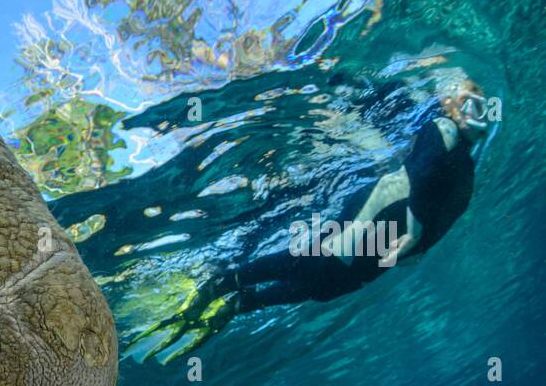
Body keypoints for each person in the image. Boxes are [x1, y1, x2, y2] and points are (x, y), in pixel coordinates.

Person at [130, 78, 489, 362]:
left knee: (285, 277)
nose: (477, 114)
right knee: (292, 282)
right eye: (471, 104)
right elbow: (429, 192)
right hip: (355, 261)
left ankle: (209, 305)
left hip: (352, 250)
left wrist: (415, 235)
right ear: (450, 103)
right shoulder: (457, 152)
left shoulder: (453, 144)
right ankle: (215, 306)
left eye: (480, 108)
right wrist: (414, 238)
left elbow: (430, 189)